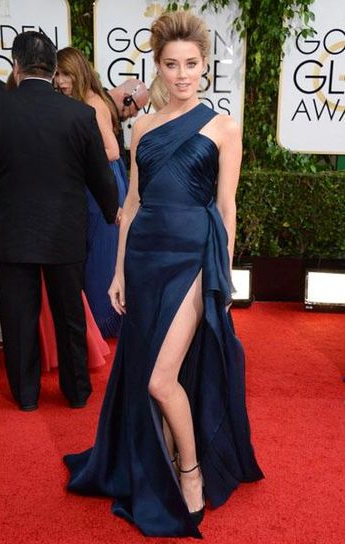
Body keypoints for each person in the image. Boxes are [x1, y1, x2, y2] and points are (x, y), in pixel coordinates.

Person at [64, 10, 263, 538]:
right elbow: (131, 203)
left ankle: (190, 473)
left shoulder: (224, 127)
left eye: (191, 64)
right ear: (158, 66)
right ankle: (163, 456)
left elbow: (227, 208)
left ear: (204, 67)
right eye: (171, 64)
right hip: (146, 256)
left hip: (194, 258)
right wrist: (118, 271)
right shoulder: (143, 126)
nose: (181, 74)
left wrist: (221, 274)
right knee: (149, 366)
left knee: (160, 377)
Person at [0, 31, 118, 411]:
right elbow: (101, 174)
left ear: (16, 66)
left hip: (11, 232)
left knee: (18, 320)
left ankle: (27, 396)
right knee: (70, 317)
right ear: (52, 69)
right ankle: (77, 391)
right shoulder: (79, 114)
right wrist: (113, 211)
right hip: (65, 231)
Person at [55, 47, 130, 338]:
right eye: (57, 74)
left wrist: (75, 157)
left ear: (80, 73)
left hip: (102, 186)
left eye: (66, 74)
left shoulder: (93, 103)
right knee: (89, 256)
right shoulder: (75, 102)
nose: (61, 81)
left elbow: (111, 151)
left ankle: (104, 324)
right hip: (88, 184)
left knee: (101, 257)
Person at [106, 78, 150, 168]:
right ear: (127, 99)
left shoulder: (114, 116)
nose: (135, 114)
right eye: (137, 108)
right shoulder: (100, 109)